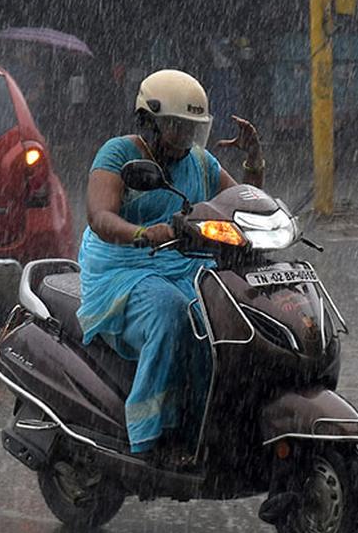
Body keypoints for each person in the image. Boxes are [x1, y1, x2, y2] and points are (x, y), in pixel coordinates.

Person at [76, 69, 266, 465]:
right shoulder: (118, 153)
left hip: (182, 266)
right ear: (148, 122)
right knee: (170, 313)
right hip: (123, 269)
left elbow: (244, 203)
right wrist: (146, 233)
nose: (185, 139)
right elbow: (100, 217)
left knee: (222, 319)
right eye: (175, 128)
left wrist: (254, 161)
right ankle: (149, 436)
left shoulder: (200, 161)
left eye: (192, 130)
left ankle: (208, 425)